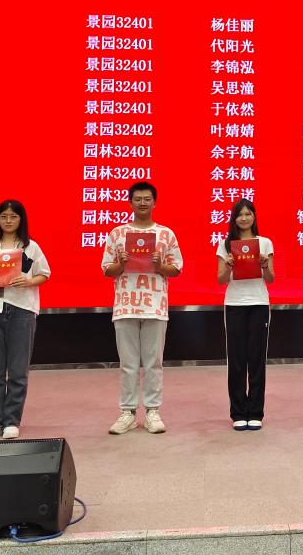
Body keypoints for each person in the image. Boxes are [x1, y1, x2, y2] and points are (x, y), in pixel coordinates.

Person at [101, 181, 183, 435]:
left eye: (147, 199)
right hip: (125, 305)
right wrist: (121, 264)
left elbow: (176, 269)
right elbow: (107, 269)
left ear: (154, 202)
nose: (143, 203)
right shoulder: (117, 233)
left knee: (153, 363)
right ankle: (127, 412)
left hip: (155, 306)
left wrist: (159, 266)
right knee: (127, 364)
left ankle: (152, 411)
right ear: (130, 202)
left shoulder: (166, 234)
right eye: (138, 199)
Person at [0, 200, 51, 440]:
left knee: (17, 370)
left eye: (13, 216)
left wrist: (28, 281)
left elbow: (44, 273)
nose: (8, 220)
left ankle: (12, 421)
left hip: (22, 309)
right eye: (4, 216)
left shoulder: (30, 247)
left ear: (21, 220)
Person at [217, 199, 275, 431]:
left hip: (259, 303)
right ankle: (238, 412)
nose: (244, 218)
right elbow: (221, 280)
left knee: (257, 359)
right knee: (237, 359)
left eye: (248, 214)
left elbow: (270, 278)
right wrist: (228, 266)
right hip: (234, 303)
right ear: (234, 218)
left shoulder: (264, 243)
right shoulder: (225, 244)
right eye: (239, 214)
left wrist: (264, 265)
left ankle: (256, 412)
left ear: (254, 217)